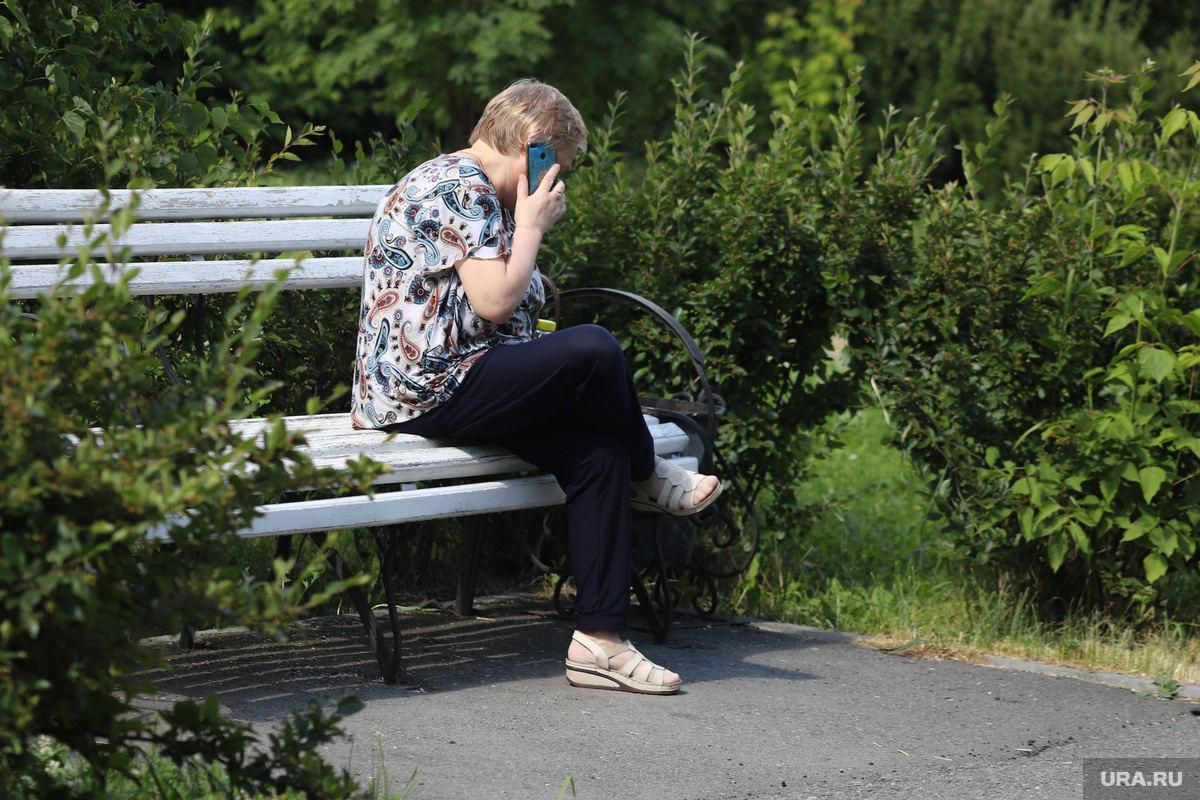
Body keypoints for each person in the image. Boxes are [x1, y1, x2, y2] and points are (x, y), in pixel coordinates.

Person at [350, 78, 722, 694]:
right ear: (534, 145)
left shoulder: (483, 193)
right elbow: (495, 302)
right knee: (595, 348)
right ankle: (648, 473)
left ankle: (598, 643)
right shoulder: (456, 187)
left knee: (597, 455)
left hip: (470, 375)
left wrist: (529, 266)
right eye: (559, 164)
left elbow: (487, 285)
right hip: (427, 387)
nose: (559, 181)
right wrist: (532, 229)